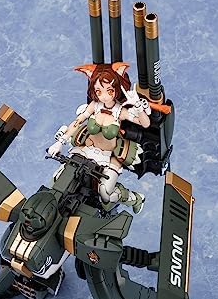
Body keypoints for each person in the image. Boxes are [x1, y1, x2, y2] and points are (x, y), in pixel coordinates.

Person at [48, 62, 151, 213]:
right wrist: (60, 142)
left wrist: (138, 106)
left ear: (116, 89)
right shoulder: (94, 106)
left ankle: (134, 198)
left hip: (108, 157)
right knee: (58, 179)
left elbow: (145, 123)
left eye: (109, 90)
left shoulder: (119, 111)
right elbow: (77, 122)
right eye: (98, 91)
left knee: (105, 194)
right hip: (85, 150)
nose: (104, 96)